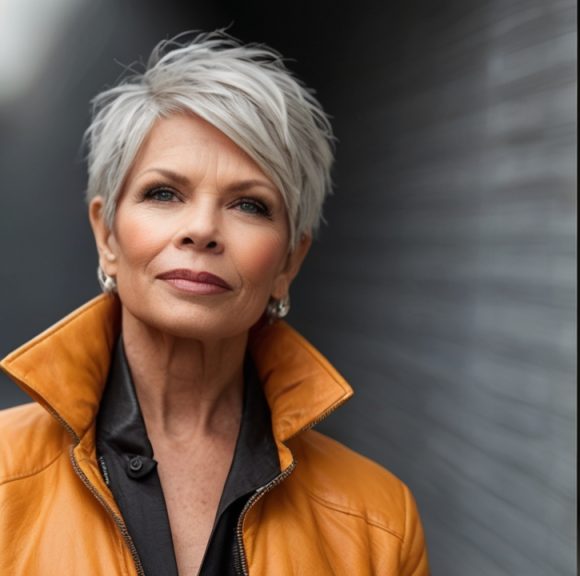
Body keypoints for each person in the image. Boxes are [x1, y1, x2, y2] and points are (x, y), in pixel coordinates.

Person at [0, 32, 429, 576]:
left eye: (249, 205)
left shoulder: (379, 520)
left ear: (288, 263)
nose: (202, 229)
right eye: (164, 193)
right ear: (106, 235)